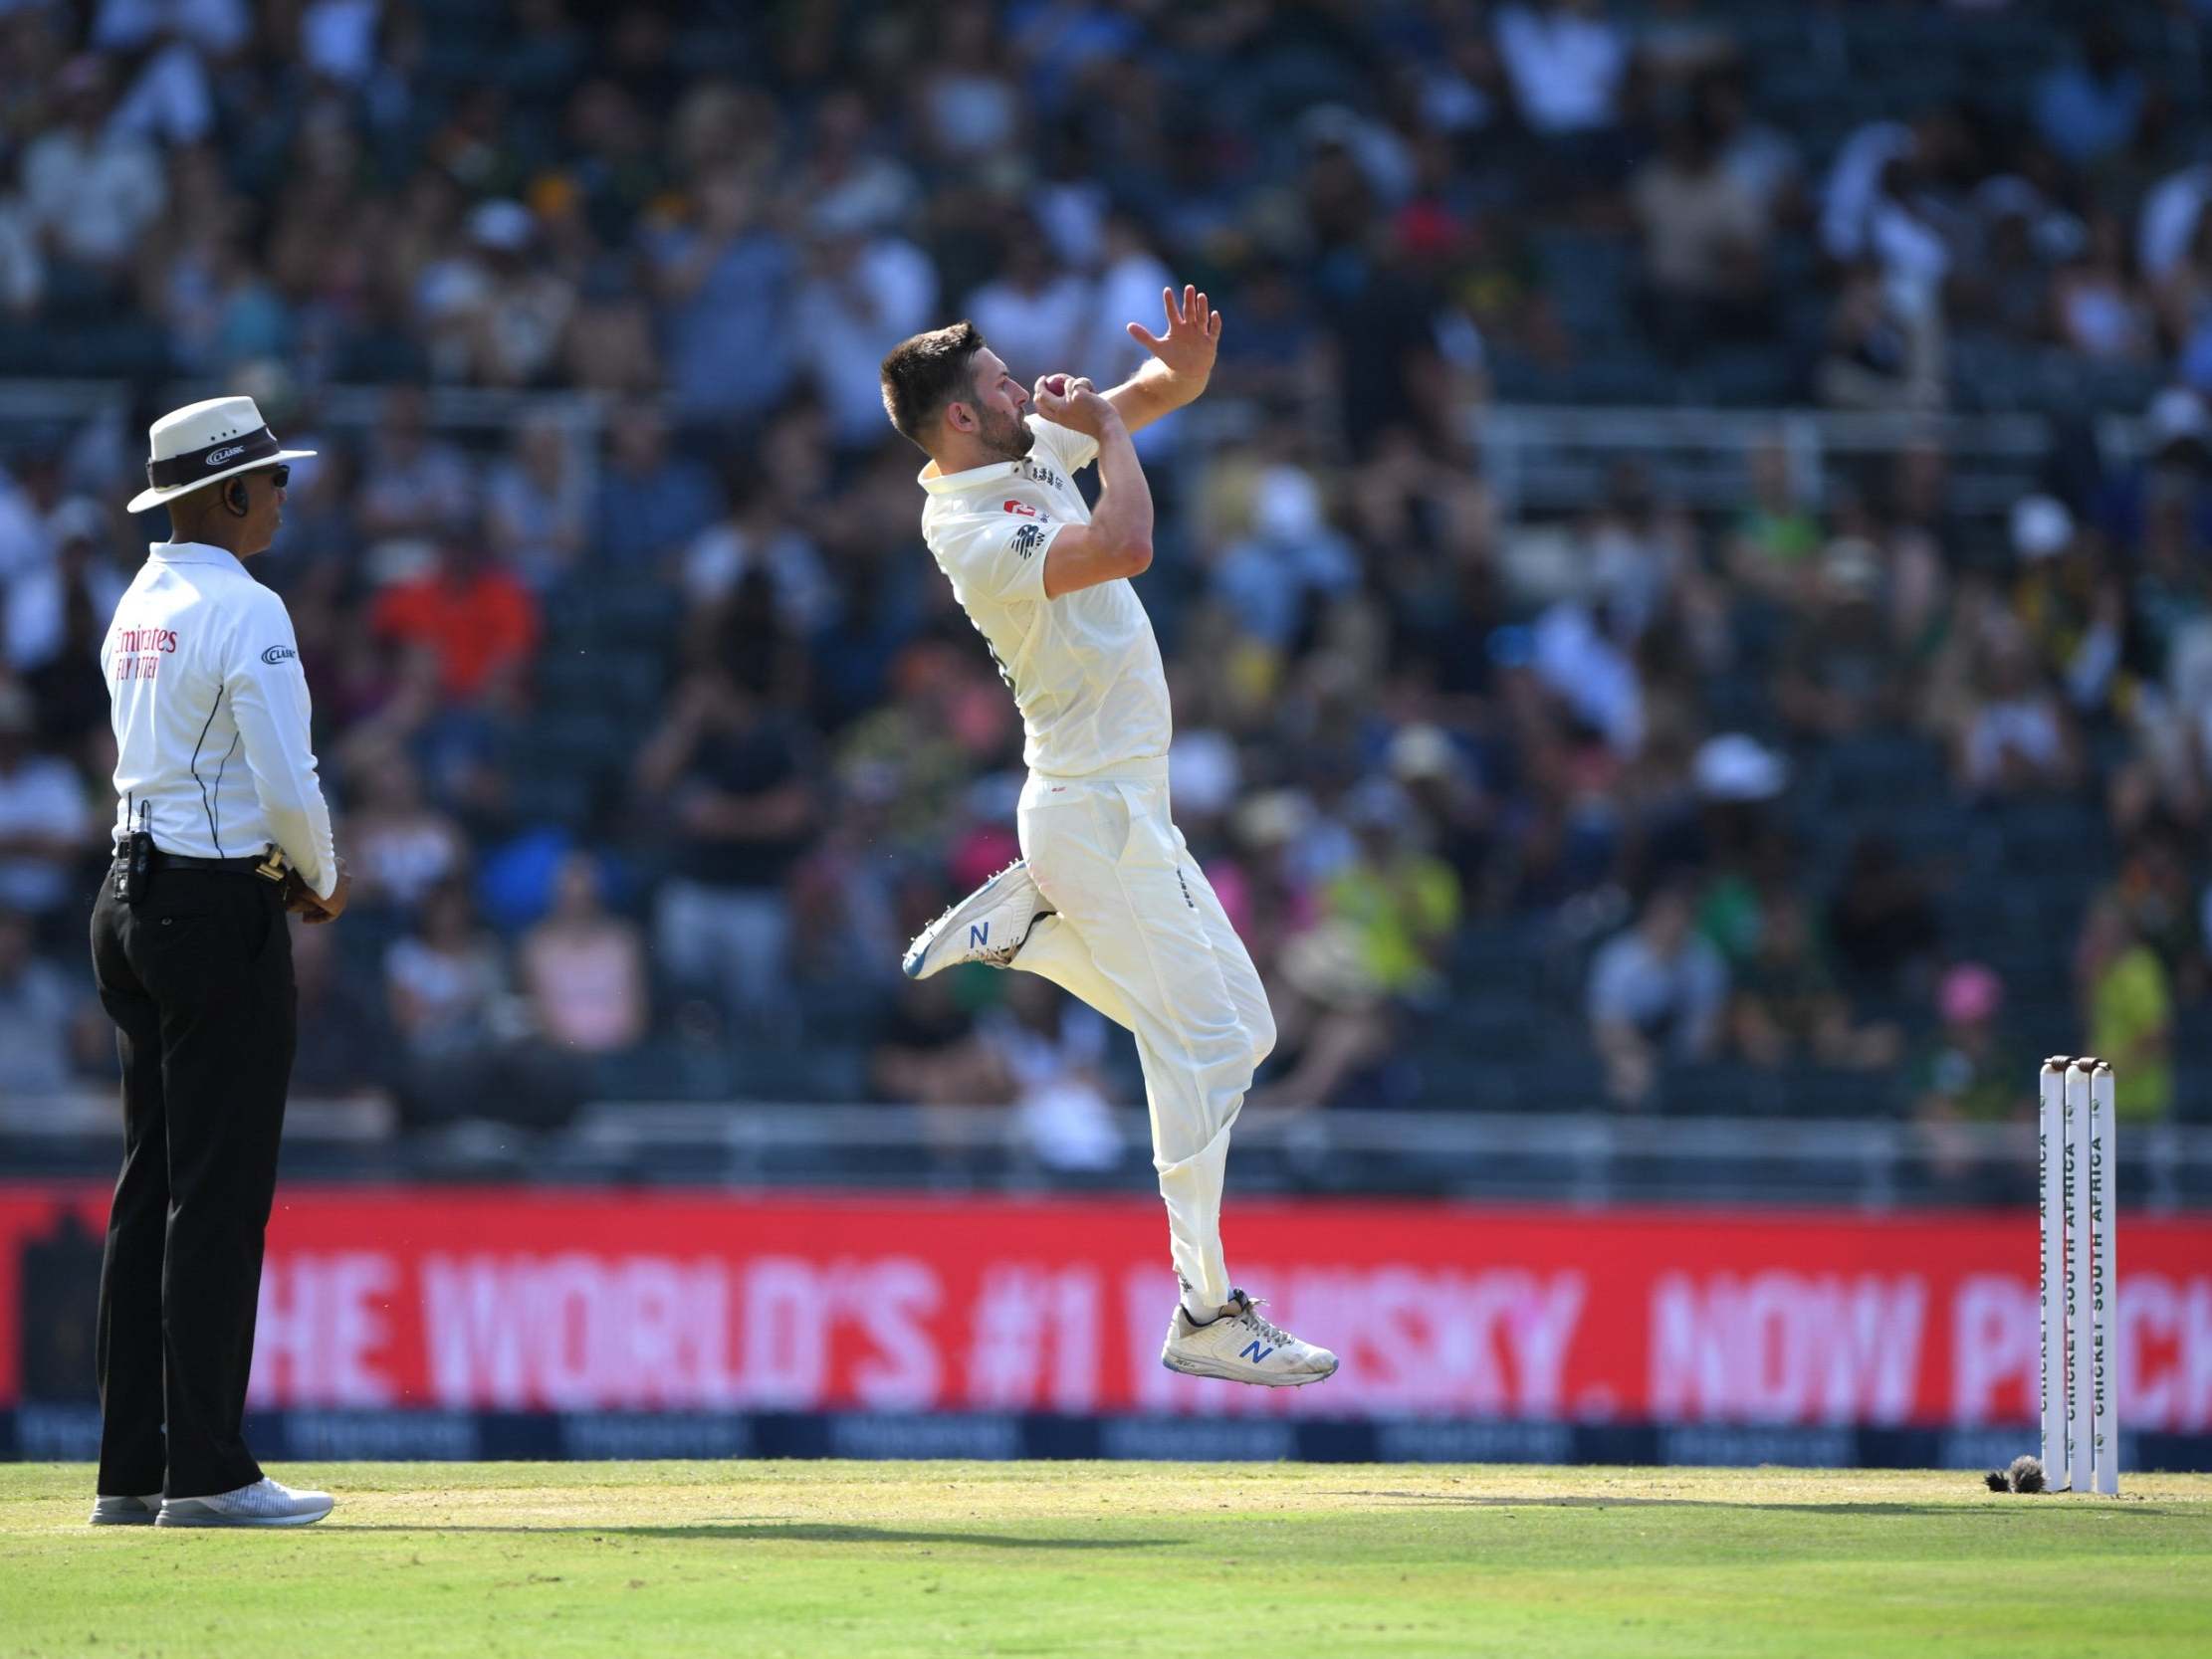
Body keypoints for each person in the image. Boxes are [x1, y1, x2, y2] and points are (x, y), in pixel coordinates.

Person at [879, 292, 1336, 1388]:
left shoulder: (1022, 442)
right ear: (958, 420)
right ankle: (1205, 1308)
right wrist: (1112, 432)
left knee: (1247, 1032)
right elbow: (1125, 543)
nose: (1018, 386)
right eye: (997, 383)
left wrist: (1183, 369)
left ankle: (1033, 933)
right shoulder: (970, 529)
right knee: (1207, 1047)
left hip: (1125, 812)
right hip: (1091, 810)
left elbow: (1162, 390)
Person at [90, 395, 344, 1529]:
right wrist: (322, 871)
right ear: (227, 490)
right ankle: (206, 1471)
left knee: (150, 1184)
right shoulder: (247, 606)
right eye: (272, 479)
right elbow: (286, 775)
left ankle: (130, 1469)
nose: (283, 495)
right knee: (218, 1193)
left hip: (126, 896)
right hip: (210, 903)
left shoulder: (137, 600)